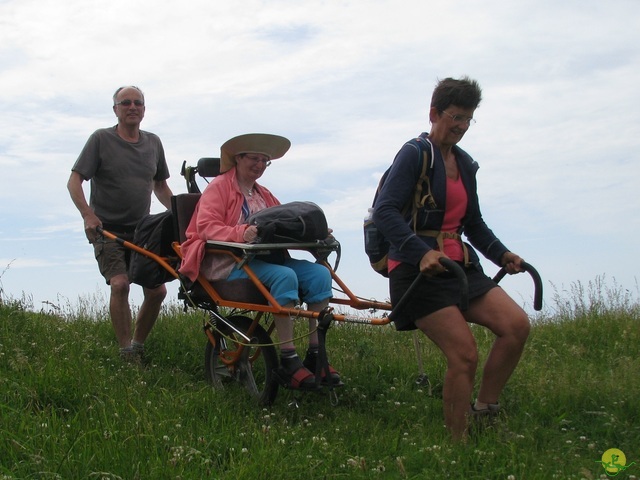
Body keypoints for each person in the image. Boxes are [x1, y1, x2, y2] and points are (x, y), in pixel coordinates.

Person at [373, 77, 530, 440]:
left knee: (516, 326)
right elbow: (385, 211)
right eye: (455, 117)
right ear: (434, 113)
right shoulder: (414, 153)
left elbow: (472, 223)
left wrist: (501, 254)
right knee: (465, 354)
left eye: (467, 119)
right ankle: (456, 444)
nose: (460, 126)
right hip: (417, 271)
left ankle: (485, 411)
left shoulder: (465, 164)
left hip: (460, 267)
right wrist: (420, 252)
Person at [179, 133, 340, 391]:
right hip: (229, 264)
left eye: (265, 161)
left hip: (266, 261)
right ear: (238, 158)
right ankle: (288, 359)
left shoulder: (264, 194)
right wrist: (240, 232)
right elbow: (206, 227)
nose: (260, 165)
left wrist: (316, 234)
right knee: (284, 277)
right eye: (254, 158)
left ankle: (315, 354)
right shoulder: (219, 188)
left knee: (320, 275)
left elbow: (283, 227)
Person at [67, 85, 174, 362]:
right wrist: (87, 215)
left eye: (137, 102)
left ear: (144, 109)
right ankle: (126, 352)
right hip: (107, 229)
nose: (132, 107)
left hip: (143, 231)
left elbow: (160, 186)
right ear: (115, 109)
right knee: (120, 285)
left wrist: (185, 214)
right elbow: (74, 181)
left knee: (158, 291)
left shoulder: (153, 143)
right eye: (125, 103)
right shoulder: (101, 139)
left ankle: (138, 345)